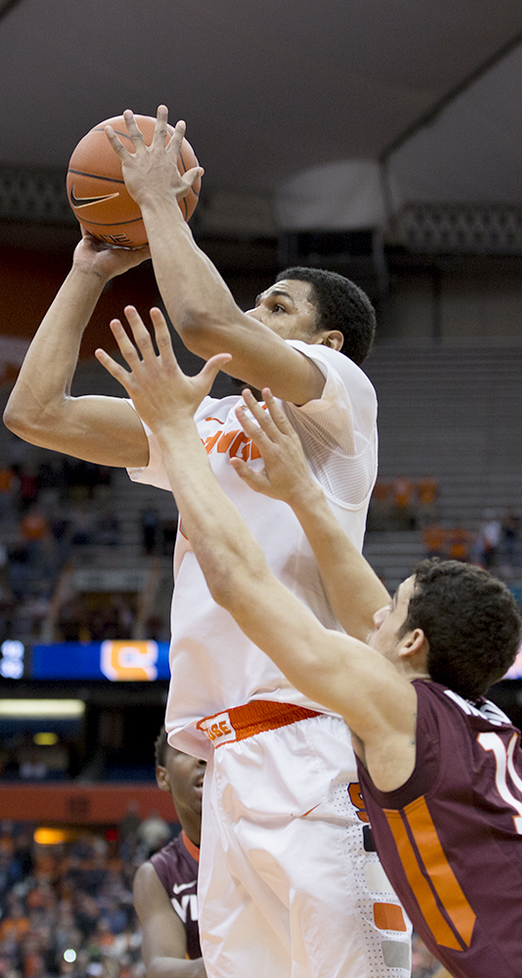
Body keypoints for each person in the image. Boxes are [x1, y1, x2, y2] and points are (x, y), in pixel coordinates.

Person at [96, 307, 522, 978]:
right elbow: (361, 596)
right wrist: (303, 495)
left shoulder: (400, 709)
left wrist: (173, 428)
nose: (371, 618)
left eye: (390, 614)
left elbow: (236, 580)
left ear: (413, 643)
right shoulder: (459, 713)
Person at [4, 107, 407, 978]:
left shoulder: (340, 401)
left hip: (311, 745)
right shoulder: (202, 422)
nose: (254, 313)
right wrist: (86, 270)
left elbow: (203, 319)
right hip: (220, 765)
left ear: (327, 341)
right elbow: (34, 414)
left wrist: (156, 205)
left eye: (277, 306)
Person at [133, 728, 206, 977]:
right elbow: (159, 967)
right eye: (187, 750)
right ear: (163, 777)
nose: (202, 758)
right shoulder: (159, 873)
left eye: (212, 747)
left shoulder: (270, 847)